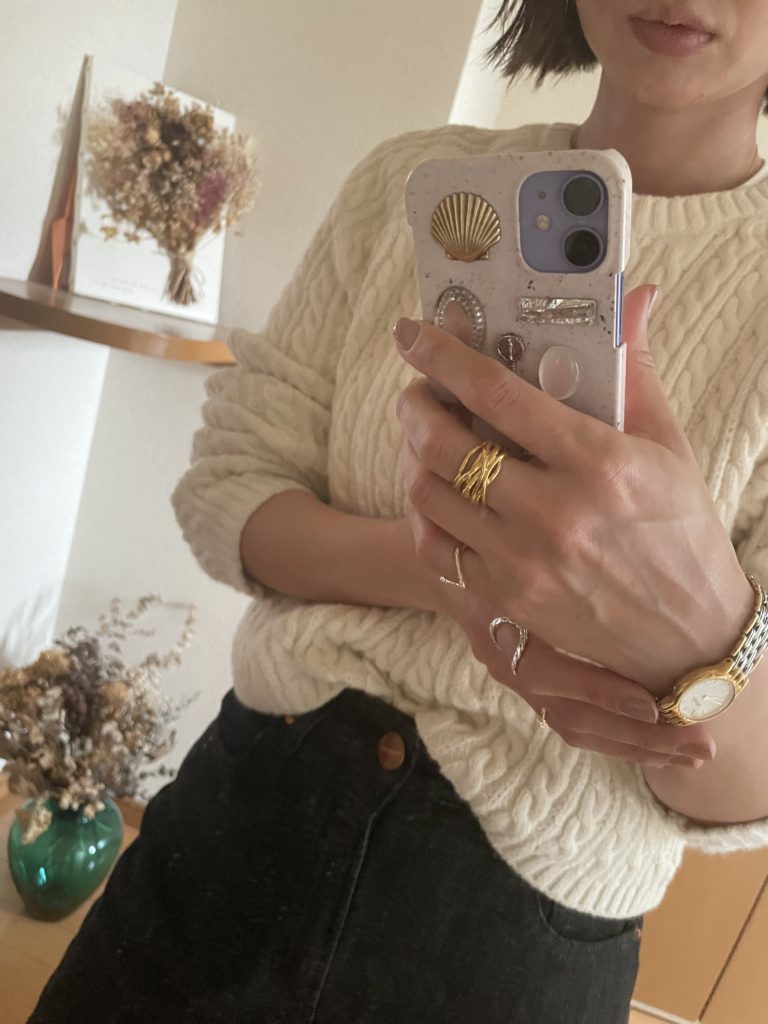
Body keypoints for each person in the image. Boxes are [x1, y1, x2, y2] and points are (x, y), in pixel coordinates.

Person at [29, 2, 768, 1022]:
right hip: (243, 815)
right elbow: (229, 491)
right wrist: (486, 569)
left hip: (515, 937)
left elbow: (742, 787)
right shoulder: (407, 184)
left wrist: (702, 641)